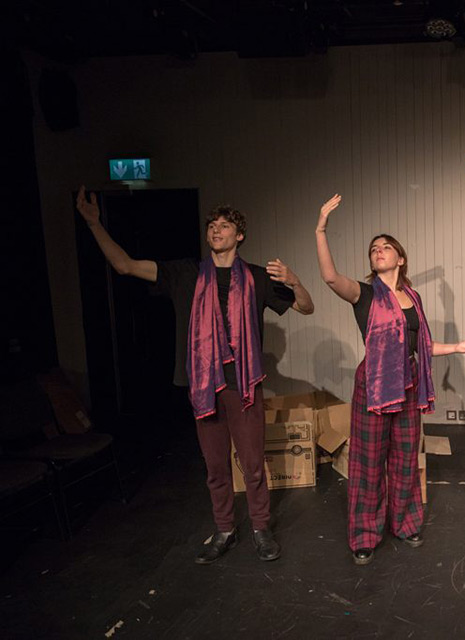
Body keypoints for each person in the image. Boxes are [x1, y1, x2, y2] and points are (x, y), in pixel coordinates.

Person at [75, 186, 315, 564]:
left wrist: (296, 280)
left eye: (225, 225)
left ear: (240, 235)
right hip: (203, 385)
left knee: (252, 464)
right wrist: (93, 223)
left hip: (243, 384)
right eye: (212, 225)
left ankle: (260, 527)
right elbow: (124, 265)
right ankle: (224, 529)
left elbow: (306, 308)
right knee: (215, 466)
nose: (216, 230)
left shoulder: (256, 277)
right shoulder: (184, 273)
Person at [314, 194, 465, 566]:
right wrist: (321, 228)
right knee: (368, 462)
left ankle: (405, 524)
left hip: (408, 384)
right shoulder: (364, 293)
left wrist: (458, 346)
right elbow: (329, 277)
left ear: (400, 258)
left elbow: (420, 344)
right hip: (374, 386)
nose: (378, 251)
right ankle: (364, 535)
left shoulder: (413, 297)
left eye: (386, 247)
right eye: (374, 249)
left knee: (406, 460)